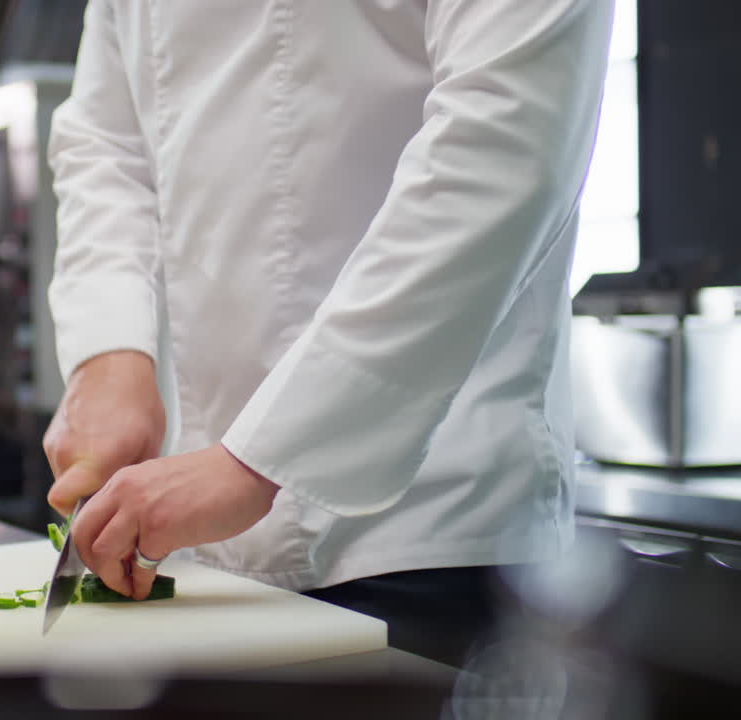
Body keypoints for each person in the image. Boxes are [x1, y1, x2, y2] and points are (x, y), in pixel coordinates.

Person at [43, 0, 614, 665]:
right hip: (196, 537)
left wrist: (261, 457)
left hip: (429, 523)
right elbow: (104, 143)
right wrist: (110, 355)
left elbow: (505, 144)